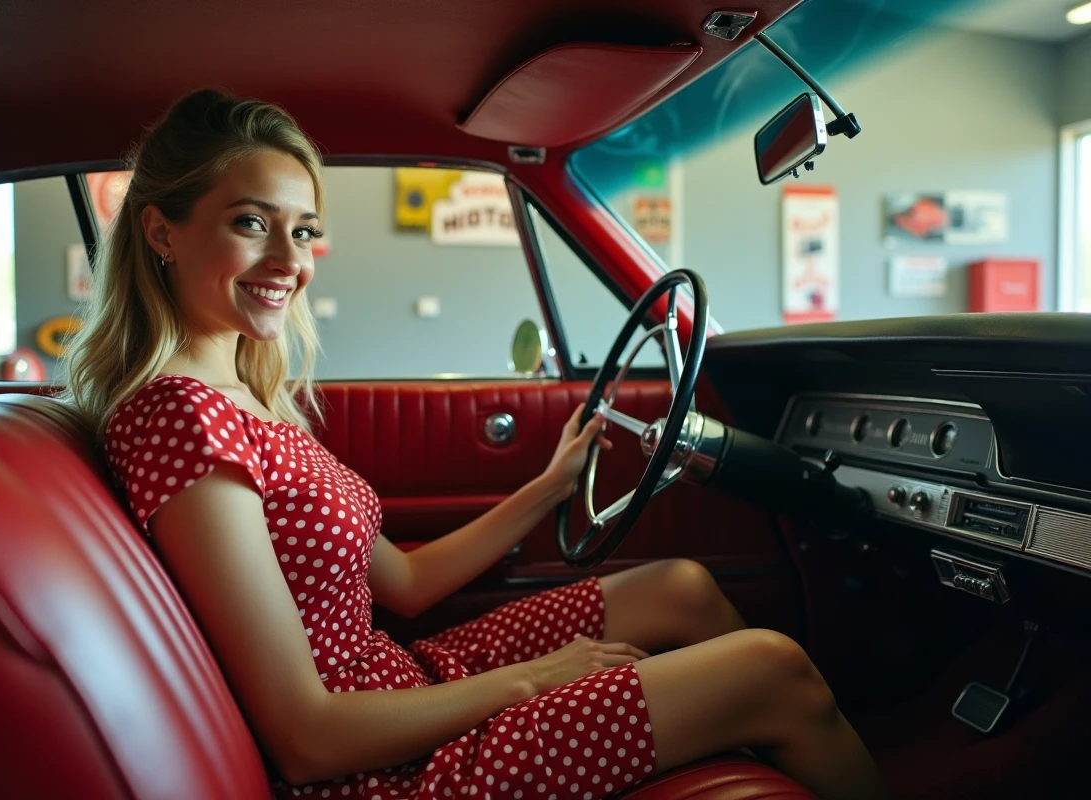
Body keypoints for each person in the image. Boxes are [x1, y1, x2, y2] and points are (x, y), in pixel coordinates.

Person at [63, 89, 889, 800]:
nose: (289, 260)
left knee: (679, 588)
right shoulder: (181, 419)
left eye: (304, 232)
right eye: (251, 223)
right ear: (161, 231)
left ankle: (741, 742)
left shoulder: (248, 398)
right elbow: (306, 738)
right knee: (772, 668)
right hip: (385, 771)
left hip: (401, 684)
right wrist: (531, 681)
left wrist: (551, 485)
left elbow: (407, 583)